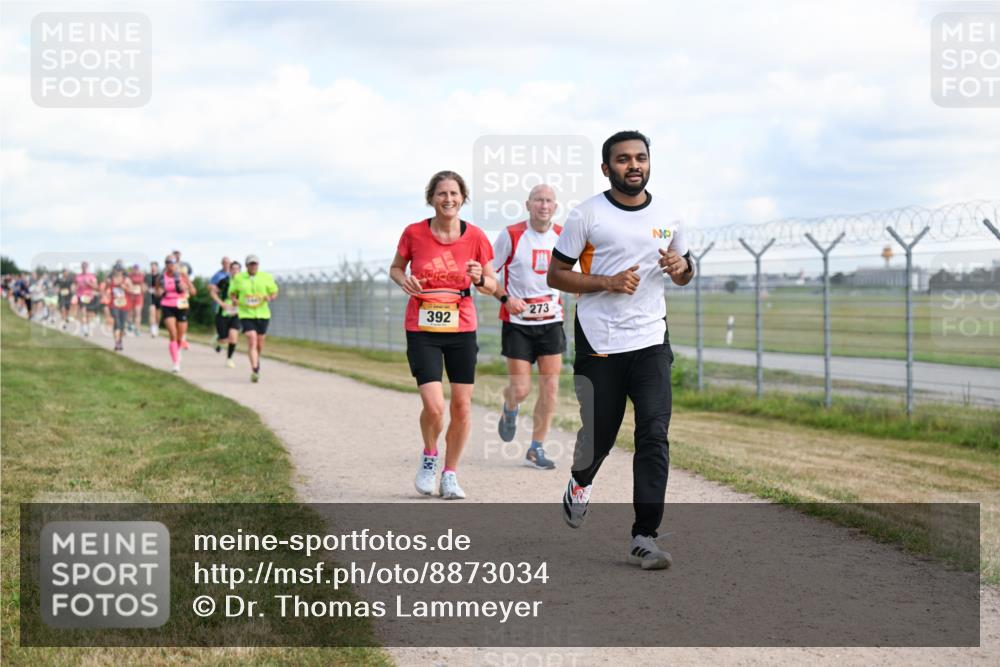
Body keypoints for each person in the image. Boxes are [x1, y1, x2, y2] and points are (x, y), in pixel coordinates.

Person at [547, 130, 693, 570]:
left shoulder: (670, 213)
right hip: (600, 342)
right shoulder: (586, 215)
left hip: (650, 340)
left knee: (654, 432)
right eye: (624, 159)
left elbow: (685, 270)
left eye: (641, 158)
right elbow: (556, 274)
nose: (634, 165)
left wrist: (681, 267)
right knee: (599, 436)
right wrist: (606, 283)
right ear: (607, 167)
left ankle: (644, 536)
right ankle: (580, 482)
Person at [389, 170, 497, 500]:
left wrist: (480, 279)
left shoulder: (476, 237)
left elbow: (492, 286)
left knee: (462, 407)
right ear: (431, 198)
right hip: (422, 327)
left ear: (463, 198)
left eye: (454, 193)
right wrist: (402, 279)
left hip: (461, 328)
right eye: (441, 193)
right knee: (435, 407)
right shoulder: (414, 233)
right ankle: (430, 456)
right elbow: (396, 267)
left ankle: (450, 474)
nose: (448, 199)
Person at [492, 184, 565, 470]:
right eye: (538, 200)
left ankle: (536, 448)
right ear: (528, 204)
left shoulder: (563, 236)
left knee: (550, 388)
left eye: (549, 201)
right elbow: (488, 274)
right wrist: (506, 298)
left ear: (555, 207)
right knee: (521, 389)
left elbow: (576, 274)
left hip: (551, 322)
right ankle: (510, 407)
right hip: (517, 324)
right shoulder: (511, 235)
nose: (543, 205)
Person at [228, 255, 278, 382]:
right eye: (251, 264)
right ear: (246, 266)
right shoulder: (239, 278)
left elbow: (274, 291)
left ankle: (256, 360)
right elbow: (232, 292)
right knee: (251, 338)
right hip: (246, 314)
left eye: (255, 264)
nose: (253, 266)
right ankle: (255, 369)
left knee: (259, 345)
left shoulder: (266, 277)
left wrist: (270, 297)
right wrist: (234, 300)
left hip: (263, 314)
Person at [159, 256, 196, 373]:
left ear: (176, 264)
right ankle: (175, 363)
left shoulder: (183, 276)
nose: (170, 265)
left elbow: (194, 292)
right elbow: (156, 291)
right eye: (168, 262)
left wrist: (185, 288)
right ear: (165, 264)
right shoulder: (161, 277)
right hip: (167, 305)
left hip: (181, 306)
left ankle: (178, 350)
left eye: (172, 262)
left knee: (180, 336)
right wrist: (160, 292)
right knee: (173, 334)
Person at [212, 260, 242, 367]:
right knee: (224, 339)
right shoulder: (224, 281)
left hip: (236, 313)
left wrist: (239, 303)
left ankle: (229, 359)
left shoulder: (243, 282)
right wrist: (221, 303)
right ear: (229, 270)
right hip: (222, 313)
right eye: (233, 269)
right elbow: (213, 292)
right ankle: (218, 340)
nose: (235, 271)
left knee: (233, 336)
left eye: (238, 269)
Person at [208, 256, 232, 353]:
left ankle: (220, 339)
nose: (226, 264)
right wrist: (217, 290)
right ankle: (218, 340)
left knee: (231, 324)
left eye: (228, 263)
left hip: (231, 304)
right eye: (225, 263)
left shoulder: (234, 274)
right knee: (221, 323)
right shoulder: (218, 275)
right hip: (219, 303)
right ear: (222, 264)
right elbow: (210, 287)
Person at [106, 267, 132, 351]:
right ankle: (116, 342)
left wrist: (124, 287)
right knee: (116, 322)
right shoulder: (110, 280)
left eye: (119, 270)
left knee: (122, 325)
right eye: (116, 270)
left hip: (124, 304)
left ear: (122, 271)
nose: (118, 272)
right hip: (114, 304)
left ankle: (120, 341)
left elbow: (132, 291)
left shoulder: (126, 280)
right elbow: (106, 290)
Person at [74, 262, 99, 337]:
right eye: (83, 266)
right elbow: (75, 286)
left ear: (87, 267)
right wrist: (76, 288)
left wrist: (89, 283)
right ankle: (84, 328)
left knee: (88, 314)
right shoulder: (78, 276)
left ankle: (86, 327)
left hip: (89, 296)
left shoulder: (92, 276)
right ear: (81, 267)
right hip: (81, 296)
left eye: (85, 266)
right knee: (83, 311)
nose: (84, 268)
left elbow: (96, 287)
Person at [127, 263, 146, 336]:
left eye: (137, 269)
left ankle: (137, 329)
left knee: (138, 313)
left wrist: (143, 288)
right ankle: (129, 324)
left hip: (139, 296)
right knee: (130, 313)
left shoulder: (142, 275)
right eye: (134, 269)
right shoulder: (129, 275)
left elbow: (144, 286)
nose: (136, 270)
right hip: (130, 296)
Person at [146, 261, 161, 337]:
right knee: (152, 312)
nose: (153, 268)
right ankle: (153, 329)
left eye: (154, 266)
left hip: (158, 297)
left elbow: (163, 286)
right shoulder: (147, 276)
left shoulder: (160, 276)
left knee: (158, 315)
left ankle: (156, 326)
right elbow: (144, 285)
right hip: (150, 296)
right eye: (152, 266)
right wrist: (147, 289)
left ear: (157, 267)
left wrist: (158, 291)